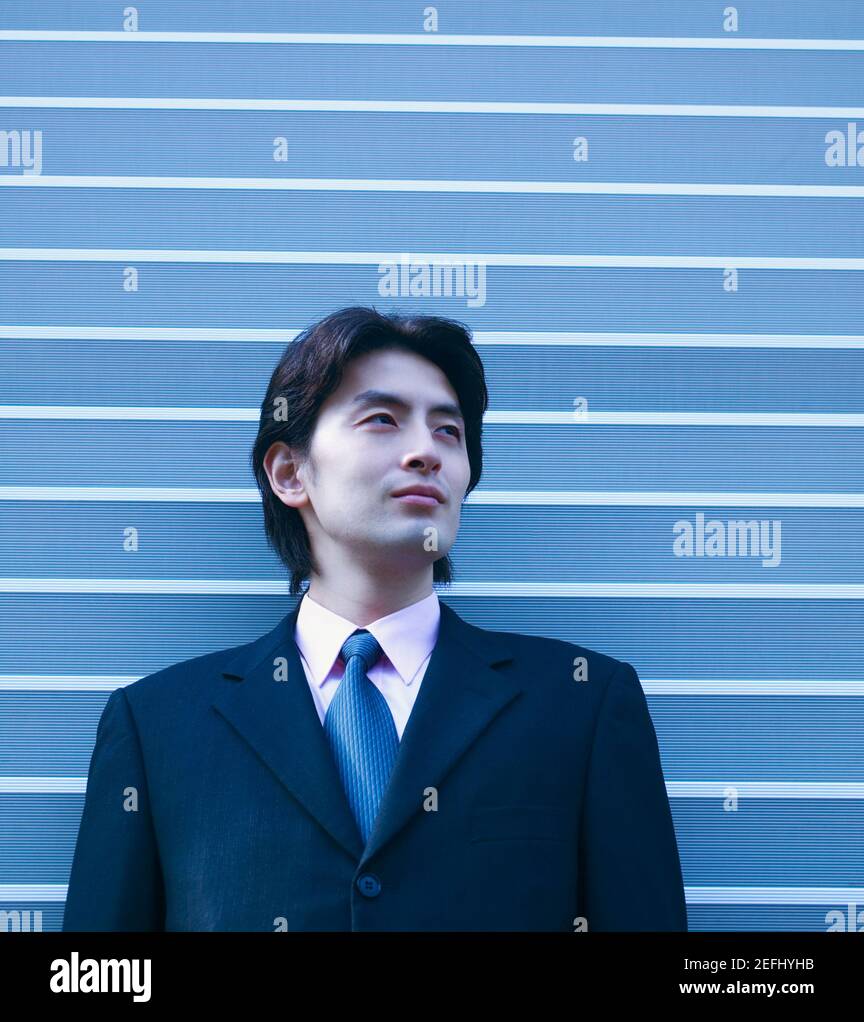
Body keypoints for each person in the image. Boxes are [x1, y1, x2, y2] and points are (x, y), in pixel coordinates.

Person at [62, 305, 687, 932]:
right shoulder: (157, 726)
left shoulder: (581, 704)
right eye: (382, 420)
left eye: (449, 431)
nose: (426, 452)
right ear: (289, 472)